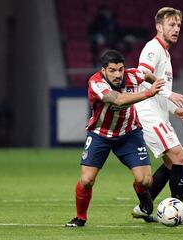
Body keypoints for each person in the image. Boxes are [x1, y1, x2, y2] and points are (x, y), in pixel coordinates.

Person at [65, 50, 165, 227]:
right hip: (100, 134)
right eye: (113, 70)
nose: (118, 74)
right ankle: (80, 217)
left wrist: (157, 84)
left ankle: (144, 205)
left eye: (120, 69)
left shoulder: (133, 75)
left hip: (129, 133)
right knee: (87, 180)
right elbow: (118, 100)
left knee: (145, 180)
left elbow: (147, 74)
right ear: (104, 70)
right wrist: (149, 93)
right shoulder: (96, 82)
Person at [131, 7, 183, 224]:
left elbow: (159, 87)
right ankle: (178, 212)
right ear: (159, 27)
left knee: (171, 164)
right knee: (180, 158)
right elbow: (142, 75)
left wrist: (174, 109)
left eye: (178, 25)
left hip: (159, 113)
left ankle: (144, 207)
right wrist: (169, 93)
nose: (176, 29)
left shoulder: (165, 53)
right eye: (171, 25)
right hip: (147, 113)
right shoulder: (153, 48)